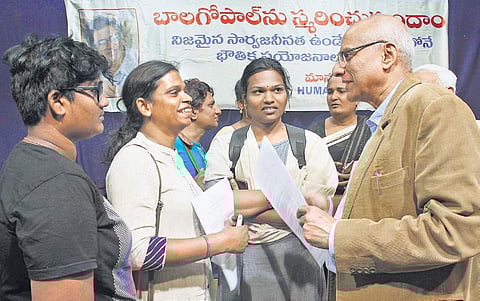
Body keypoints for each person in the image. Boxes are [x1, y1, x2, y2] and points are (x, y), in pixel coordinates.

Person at [297, 15, 480, 301]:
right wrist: (334, 209)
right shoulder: (387, 117)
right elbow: (389, 206)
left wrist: (338, 236)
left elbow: (454, 230)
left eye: (347, 55)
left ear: (387, 55)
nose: (340, 69)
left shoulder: (436, 108)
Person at [0, 35, 135, 300]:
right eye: (95, 91)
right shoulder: (57, 184)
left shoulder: (31, 161)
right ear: (58, 101)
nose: (104, 102)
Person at [104, 60, 251, 300]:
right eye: (174, 93)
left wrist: (218, 229)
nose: (186, 99)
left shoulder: (171, 157)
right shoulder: (135, 159)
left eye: (184, 91)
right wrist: (217, 242)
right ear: (144, 106)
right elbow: (137, 252)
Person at [205, 57, 338, 300]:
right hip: (243, 256)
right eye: (258, 91)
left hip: (299, 259)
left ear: (287, 94)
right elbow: (217, 201)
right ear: (244, 100)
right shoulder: (226, 143)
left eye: (277, 90)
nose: (269, 98)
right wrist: (286, 200)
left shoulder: (309, 144)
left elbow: (312, 214)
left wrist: (245, 206)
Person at [309, 70, 371, 203]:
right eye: (330, 92)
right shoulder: (313, 132)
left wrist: (357, 175)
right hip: (321, 204)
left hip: (359, 202)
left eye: (341, 91)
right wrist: (328, 174)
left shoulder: (370, 129)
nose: (333, 97)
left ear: (356, 98)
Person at [175, 78, 222, 189]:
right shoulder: (174, 146)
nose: (218, 111)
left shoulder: (200, 149)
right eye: (211, 106)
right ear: (193, 112)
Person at [86, 15, 138, 110]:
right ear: (94, 47)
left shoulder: (137, 61)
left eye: (113, 38)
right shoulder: (90, 66)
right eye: (102, 42)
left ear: (120, 39)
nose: (109, 45)